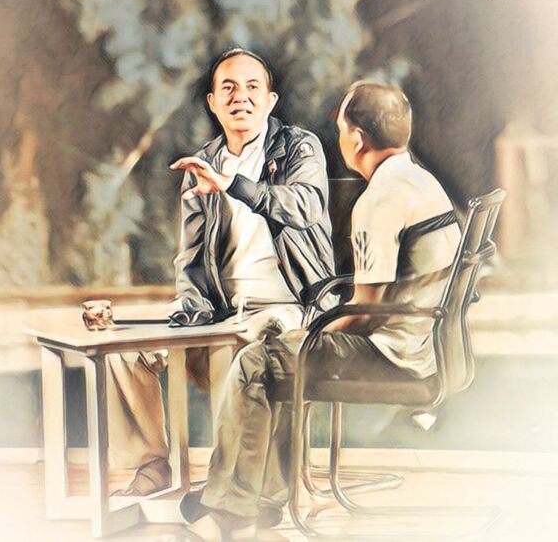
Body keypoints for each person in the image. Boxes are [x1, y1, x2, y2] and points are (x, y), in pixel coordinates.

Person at [180, 81, 461, 541]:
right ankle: (263, 500)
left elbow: (368, 312)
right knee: (282, 355)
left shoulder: (381, 199)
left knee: (256, 362)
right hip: (425, 350)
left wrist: (313, 336)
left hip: (393, 357)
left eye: (342, 130)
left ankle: (228, 509)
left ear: (357, 139)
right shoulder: (422, 182)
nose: (340, 139)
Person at [106, 48, 335, 494]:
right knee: (124, 351)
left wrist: (233, 185)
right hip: (221, 312)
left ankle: (240, 483)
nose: (240, 97)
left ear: (270, 100)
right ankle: (152, 465)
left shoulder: (298, 147)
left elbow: (305, 206)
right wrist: (190, 305)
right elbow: (190, 257)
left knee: (253, 355)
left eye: (252, 87)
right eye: (227, 88)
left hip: (286, 306)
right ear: (212, 102)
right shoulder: (202, 164)